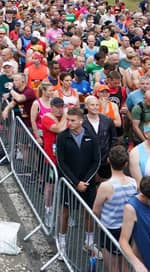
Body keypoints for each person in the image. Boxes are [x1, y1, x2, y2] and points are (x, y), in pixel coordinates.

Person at [55, 107, 101, 256]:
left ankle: (89, 243)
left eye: (72, 120)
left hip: (87, 184)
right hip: (69, 182)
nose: (69, 122)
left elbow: (96, 161)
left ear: (81, 121)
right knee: (65, 213)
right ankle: (61, 243)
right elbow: (61, 162)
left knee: (89, 213)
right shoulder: (62, 137)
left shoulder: (91, 136)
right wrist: (76, 182)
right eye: (68, 119)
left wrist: (85, 181)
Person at [92, 146, 138, 272]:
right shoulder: (134, 183)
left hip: (110, 228)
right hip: (128, 228)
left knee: (112, 264)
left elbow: (96, 209)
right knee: (125, 261)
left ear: (108, 161)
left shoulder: (106, 186)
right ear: (126, 164)